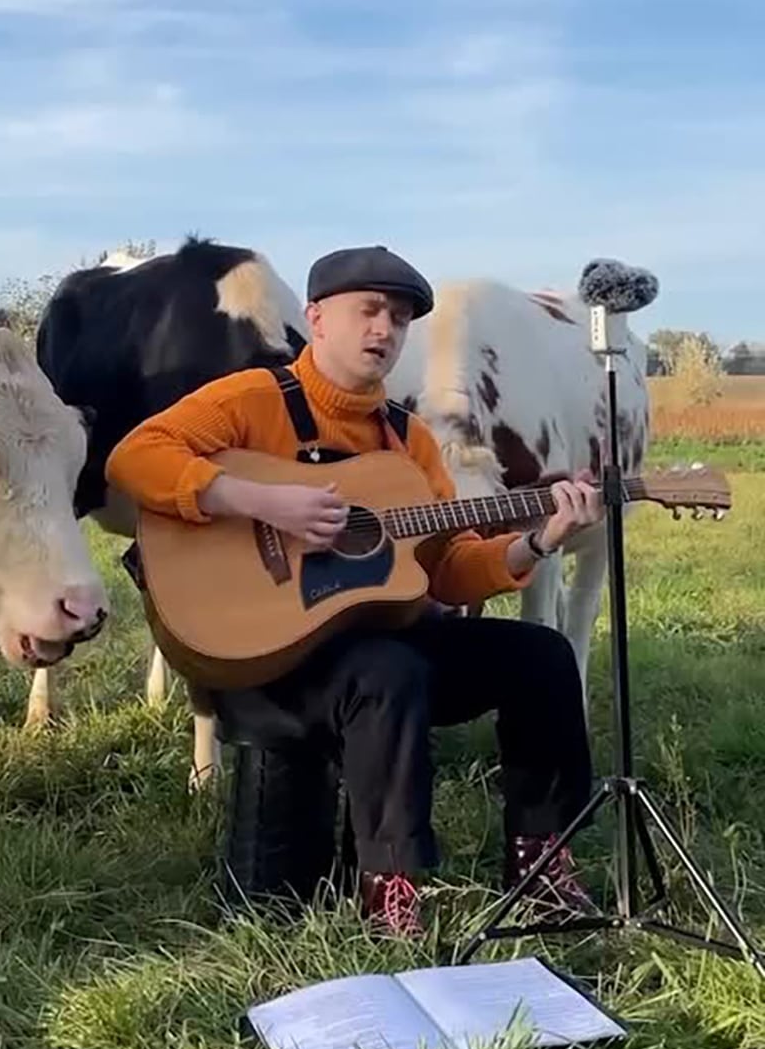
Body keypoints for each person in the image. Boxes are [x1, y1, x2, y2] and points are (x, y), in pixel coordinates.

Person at [105, 245, 604, 935]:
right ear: (315, 318)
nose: (386, 330)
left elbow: (447, 567)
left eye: (399, 319)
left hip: (372, 639)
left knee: (541, 655)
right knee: (388, 669)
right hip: (270, 655)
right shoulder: (253, 400)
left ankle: (541, 861)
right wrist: (262, 501)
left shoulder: (409, 440)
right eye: (368, 311)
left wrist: (539, 540)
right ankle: (389, 885)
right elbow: (134, 458)